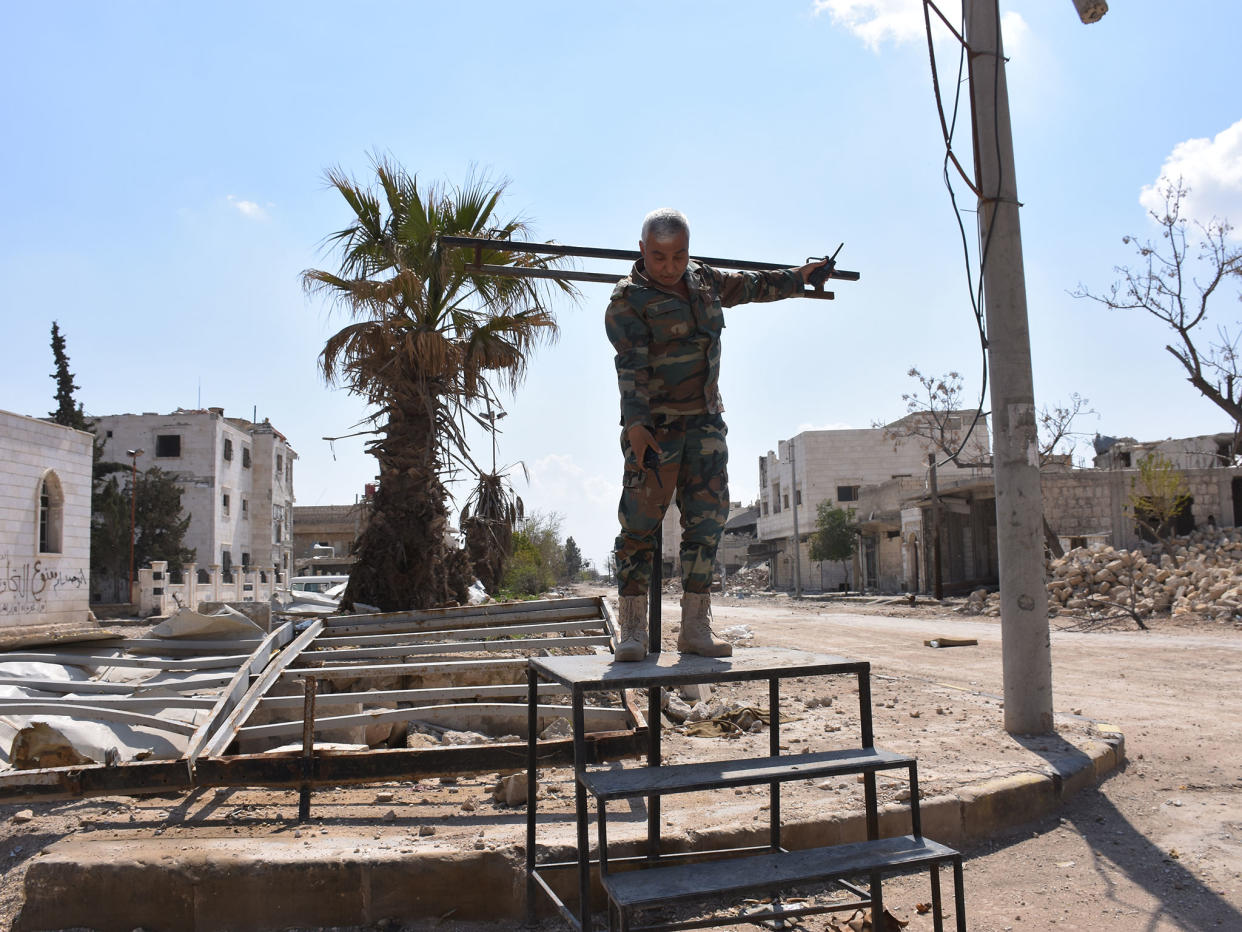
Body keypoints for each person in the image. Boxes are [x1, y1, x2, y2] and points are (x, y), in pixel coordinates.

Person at [605, 208, 830, 661]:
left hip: (705, 424)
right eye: (659, 256)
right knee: (639, 528)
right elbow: (630, 367)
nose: (669, 266)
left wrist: (800, 277)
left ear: (689, 251)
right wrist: (636, 427)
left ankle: (695, 627)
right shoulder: (627, 301)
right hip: (655, 428)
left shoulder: (703, 281)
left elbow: (752, 285)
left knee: (706, 525)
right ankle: (632, 631)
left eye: (678, 255)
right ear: (642, 251)